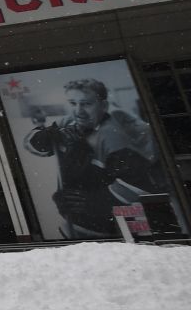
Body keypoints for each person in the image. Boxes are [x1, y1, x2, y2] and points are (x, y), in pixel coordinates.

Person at [24, 77, 167, 238]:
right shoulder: (71, 121)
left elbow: (138, 186)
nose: (78, 111)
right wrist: (52, 136)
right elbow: (31, 144)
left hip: (107, 234)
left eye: (86, 104)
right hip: (75, 228)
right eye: (73, 103)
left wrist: (91, 201)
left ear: (103, 106)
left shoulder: (112, 137)